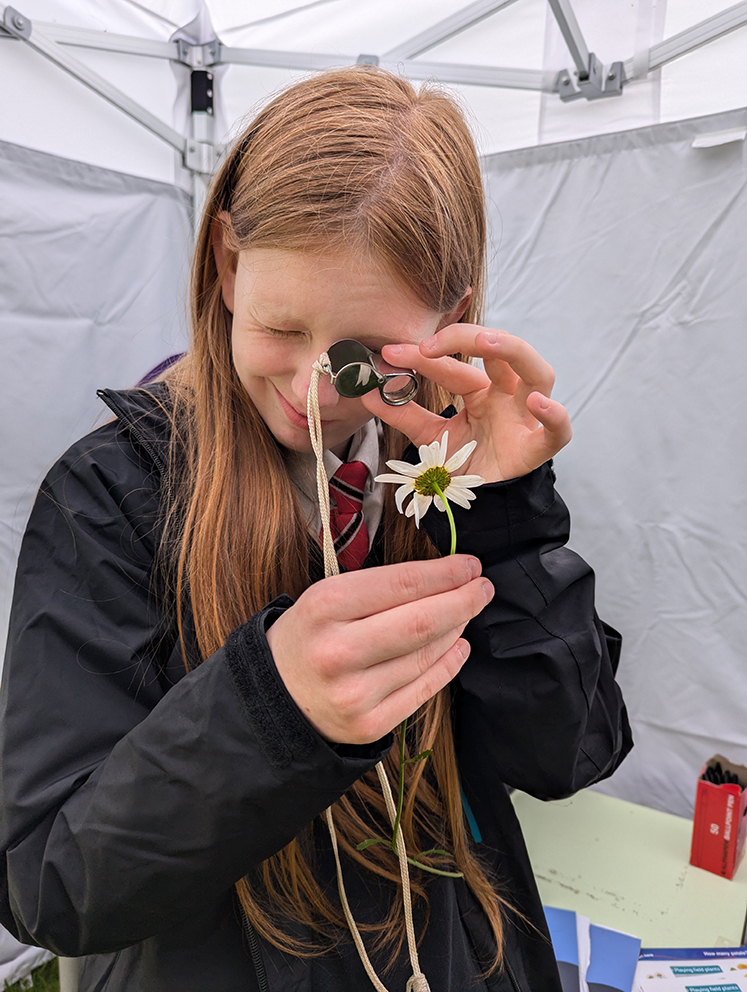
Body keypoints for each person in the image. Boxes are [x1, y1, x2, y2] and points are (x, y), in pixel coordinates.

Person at [0, 67, 632, 992]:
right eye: (279, 327)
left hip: (453, 956)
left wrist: (506, 510)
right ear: (225, 265)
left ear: (449, 320)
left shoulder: (443, 475)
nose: (313, 387)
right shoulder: (113, 495)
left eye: (363, 356)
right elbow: (49, 881)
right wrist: (269, 708)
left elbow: (567, 755)